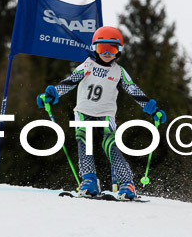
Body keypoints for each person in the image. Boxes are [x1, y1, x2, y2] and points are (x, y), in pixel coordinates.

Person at [36, 25, 166, 199]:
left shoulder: (118, 71)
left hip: (106, 113)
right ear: (95, 49)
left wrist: (152, 109)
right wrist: (52, 94)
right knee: (84, 140)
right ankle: (89, 181)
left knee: (110, 144)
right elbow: (70, 81)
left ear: (118, 50)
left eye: (111, 49)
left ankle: (127, 184)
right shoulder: (87, 65)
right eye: (102, 48)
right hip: (83, 111)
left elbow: (133, 89)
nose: (106, 53)